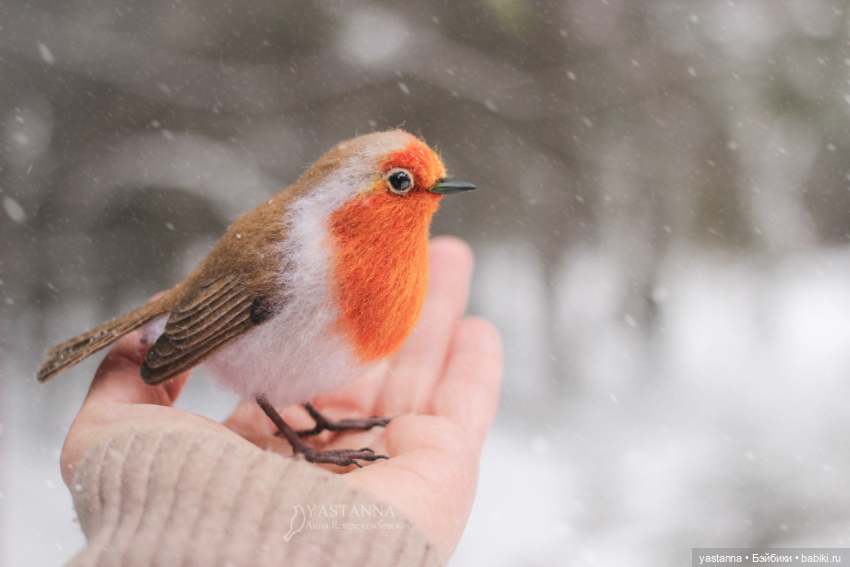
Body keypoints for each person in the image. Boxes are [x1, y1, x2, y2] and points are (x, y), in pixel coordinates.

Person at [59, 237, 502, 567]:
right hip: (233, 318)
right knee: (270, 382)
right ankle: (304, 442)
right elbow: (262, 371)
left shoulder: (364, 262)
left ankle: (312, 424)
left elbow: (293, 362)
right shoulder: (314, 254)